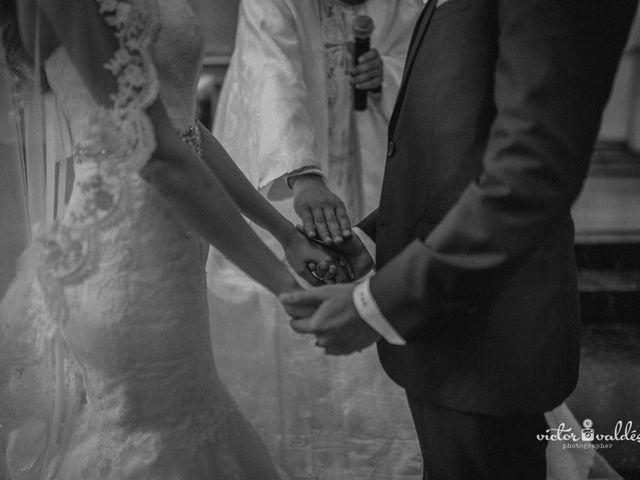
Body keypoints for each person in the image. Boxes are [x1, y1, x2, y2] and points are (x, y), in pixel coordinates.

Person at [282, 0, 638, 479]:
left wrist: (379, 304)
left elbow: (531, 170)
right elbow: (462, 146)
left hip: (490, 329)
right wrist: (372, 240)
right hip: (448, 328)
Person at [0, 0, 346, 478]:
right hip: (122, 263)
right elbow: (161, 155)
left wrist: (284, 234)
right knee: (148, 440)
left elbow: (183, 130)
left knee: (192, 424)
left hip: (176, 252)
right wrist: (281, 284)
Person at [206, 0, 424, 476]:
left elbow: (431, 59)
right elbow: (271, 76)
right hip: (282, 167)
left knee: (381, 273)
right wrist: (303, 176)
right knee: (281, 295)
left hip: (376, 160)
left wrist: (384, 73)